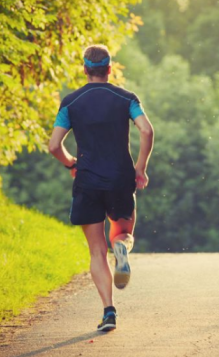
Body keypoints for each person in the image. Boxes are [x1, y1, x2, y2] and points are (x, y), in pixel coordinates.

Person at [48, 44, 154, 332]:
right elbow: (146, 130)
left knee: (96, 251)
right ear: (109, 69)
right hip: (120, 178)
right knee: (123, 232)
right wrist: (140, 168)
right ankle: (121, 248)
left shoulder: (71, 102)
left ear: (85, 69)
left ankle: (109, 311)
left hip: (88, 182)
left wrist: (71, 164)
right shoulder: (126, 98)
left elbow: (54, 145)